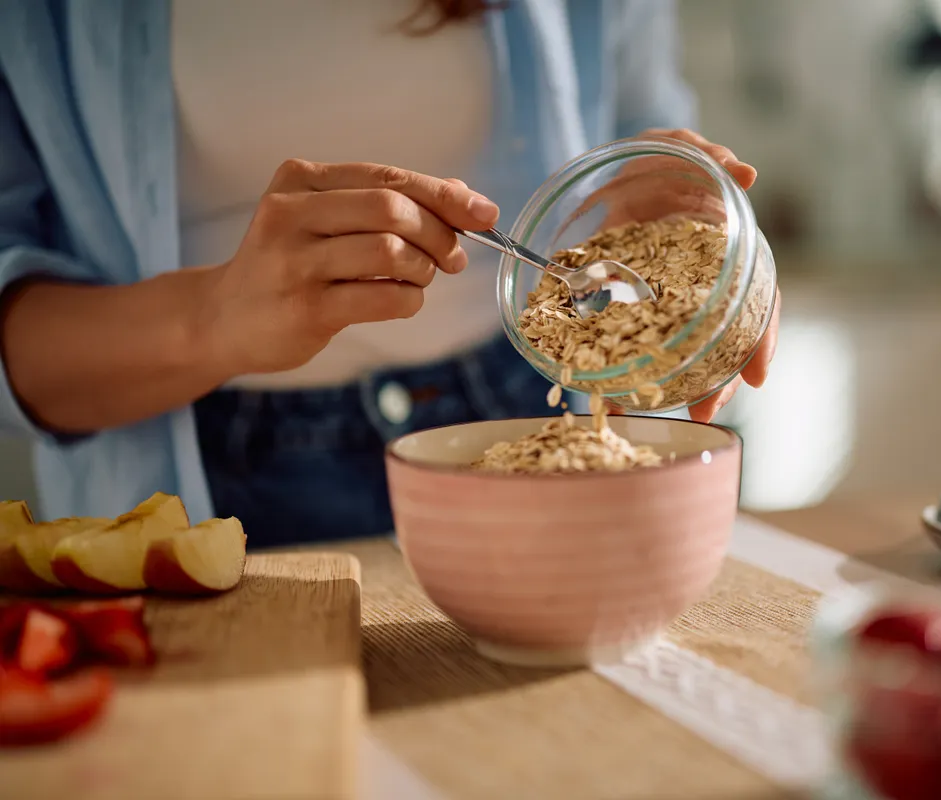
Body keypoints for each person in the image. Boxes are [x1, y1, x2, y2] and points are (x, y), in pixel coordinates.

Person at [0, 0, 779, 547]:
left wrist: (697, 227)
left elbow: (634, 138)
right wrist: (215, 317)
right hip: (212, 478)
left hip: (530, 420)